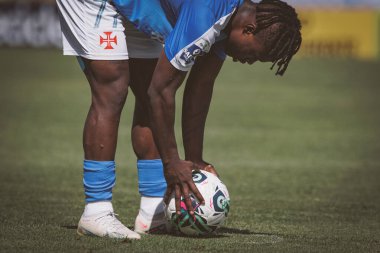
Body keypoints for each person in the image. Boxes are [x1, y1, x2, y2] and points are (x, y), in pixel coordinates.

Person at [56, 0, 301, 240]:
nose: (249, 62)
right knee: (113, 88)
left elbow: (200, 86)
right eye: (255, 55)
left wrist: (194, 159)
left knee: (149, 88)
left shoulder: (227, 21)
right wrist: (171, 162)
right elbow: (161, 92)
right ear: (248, 30)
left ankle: (153, 212)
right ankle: (96, 211)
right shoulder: (206, 13)